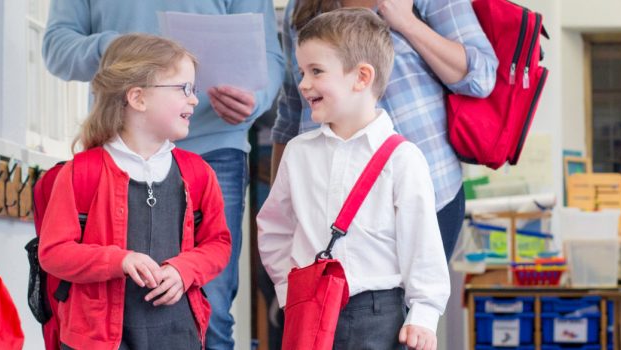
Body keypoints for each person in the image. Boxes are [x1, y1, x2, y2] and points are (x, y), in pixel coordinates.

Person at [42, 3, 284, 347]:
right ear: (137, 97)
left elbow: (217, 245)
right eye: (183, 88)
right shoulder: (82, 173)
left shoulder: (199, 175)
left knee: (214, 314)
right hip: (98, 337)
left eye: (193, 88)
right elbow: (55, 252)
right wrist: (121, 48)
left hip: (219, 144)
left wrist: (256, 100)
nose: (193, 99)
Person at [258, 9, 450, 350]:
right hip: (308, 309)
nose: (303, 83)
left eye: (316, 71)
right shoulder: (298, 152)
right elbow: (275, 229)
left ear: (361, 77)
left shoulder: (403, 159)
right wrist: (290, 294)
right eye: (302, 71)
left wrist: (424, 313)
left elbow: (422, 245)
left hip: (376, 312)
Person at [273, 0, 496, 259]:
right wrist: (282, 203)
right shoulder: (300, 6)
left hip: (426, 190)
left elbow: (482, 77)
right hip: (329, 199)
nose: (306, 82)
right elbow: (291, 107)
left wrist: (407, 23)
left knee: (413, 297)